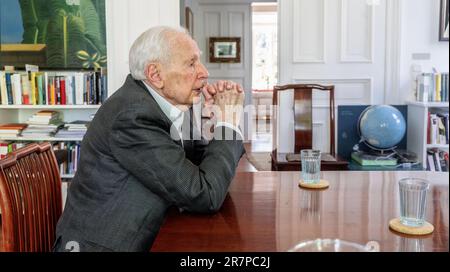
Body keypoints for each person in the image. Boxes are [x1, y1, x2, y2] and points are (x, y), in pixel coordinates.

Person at [53, 26, 245, 252]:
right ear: (155, 75)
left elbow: (191, 168)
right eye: (191, 63)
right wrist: (228, 124)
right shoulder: (132, 116)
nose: (204, 72)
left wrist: (215, 124)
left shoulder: (163, 104)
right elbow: (205, 194)